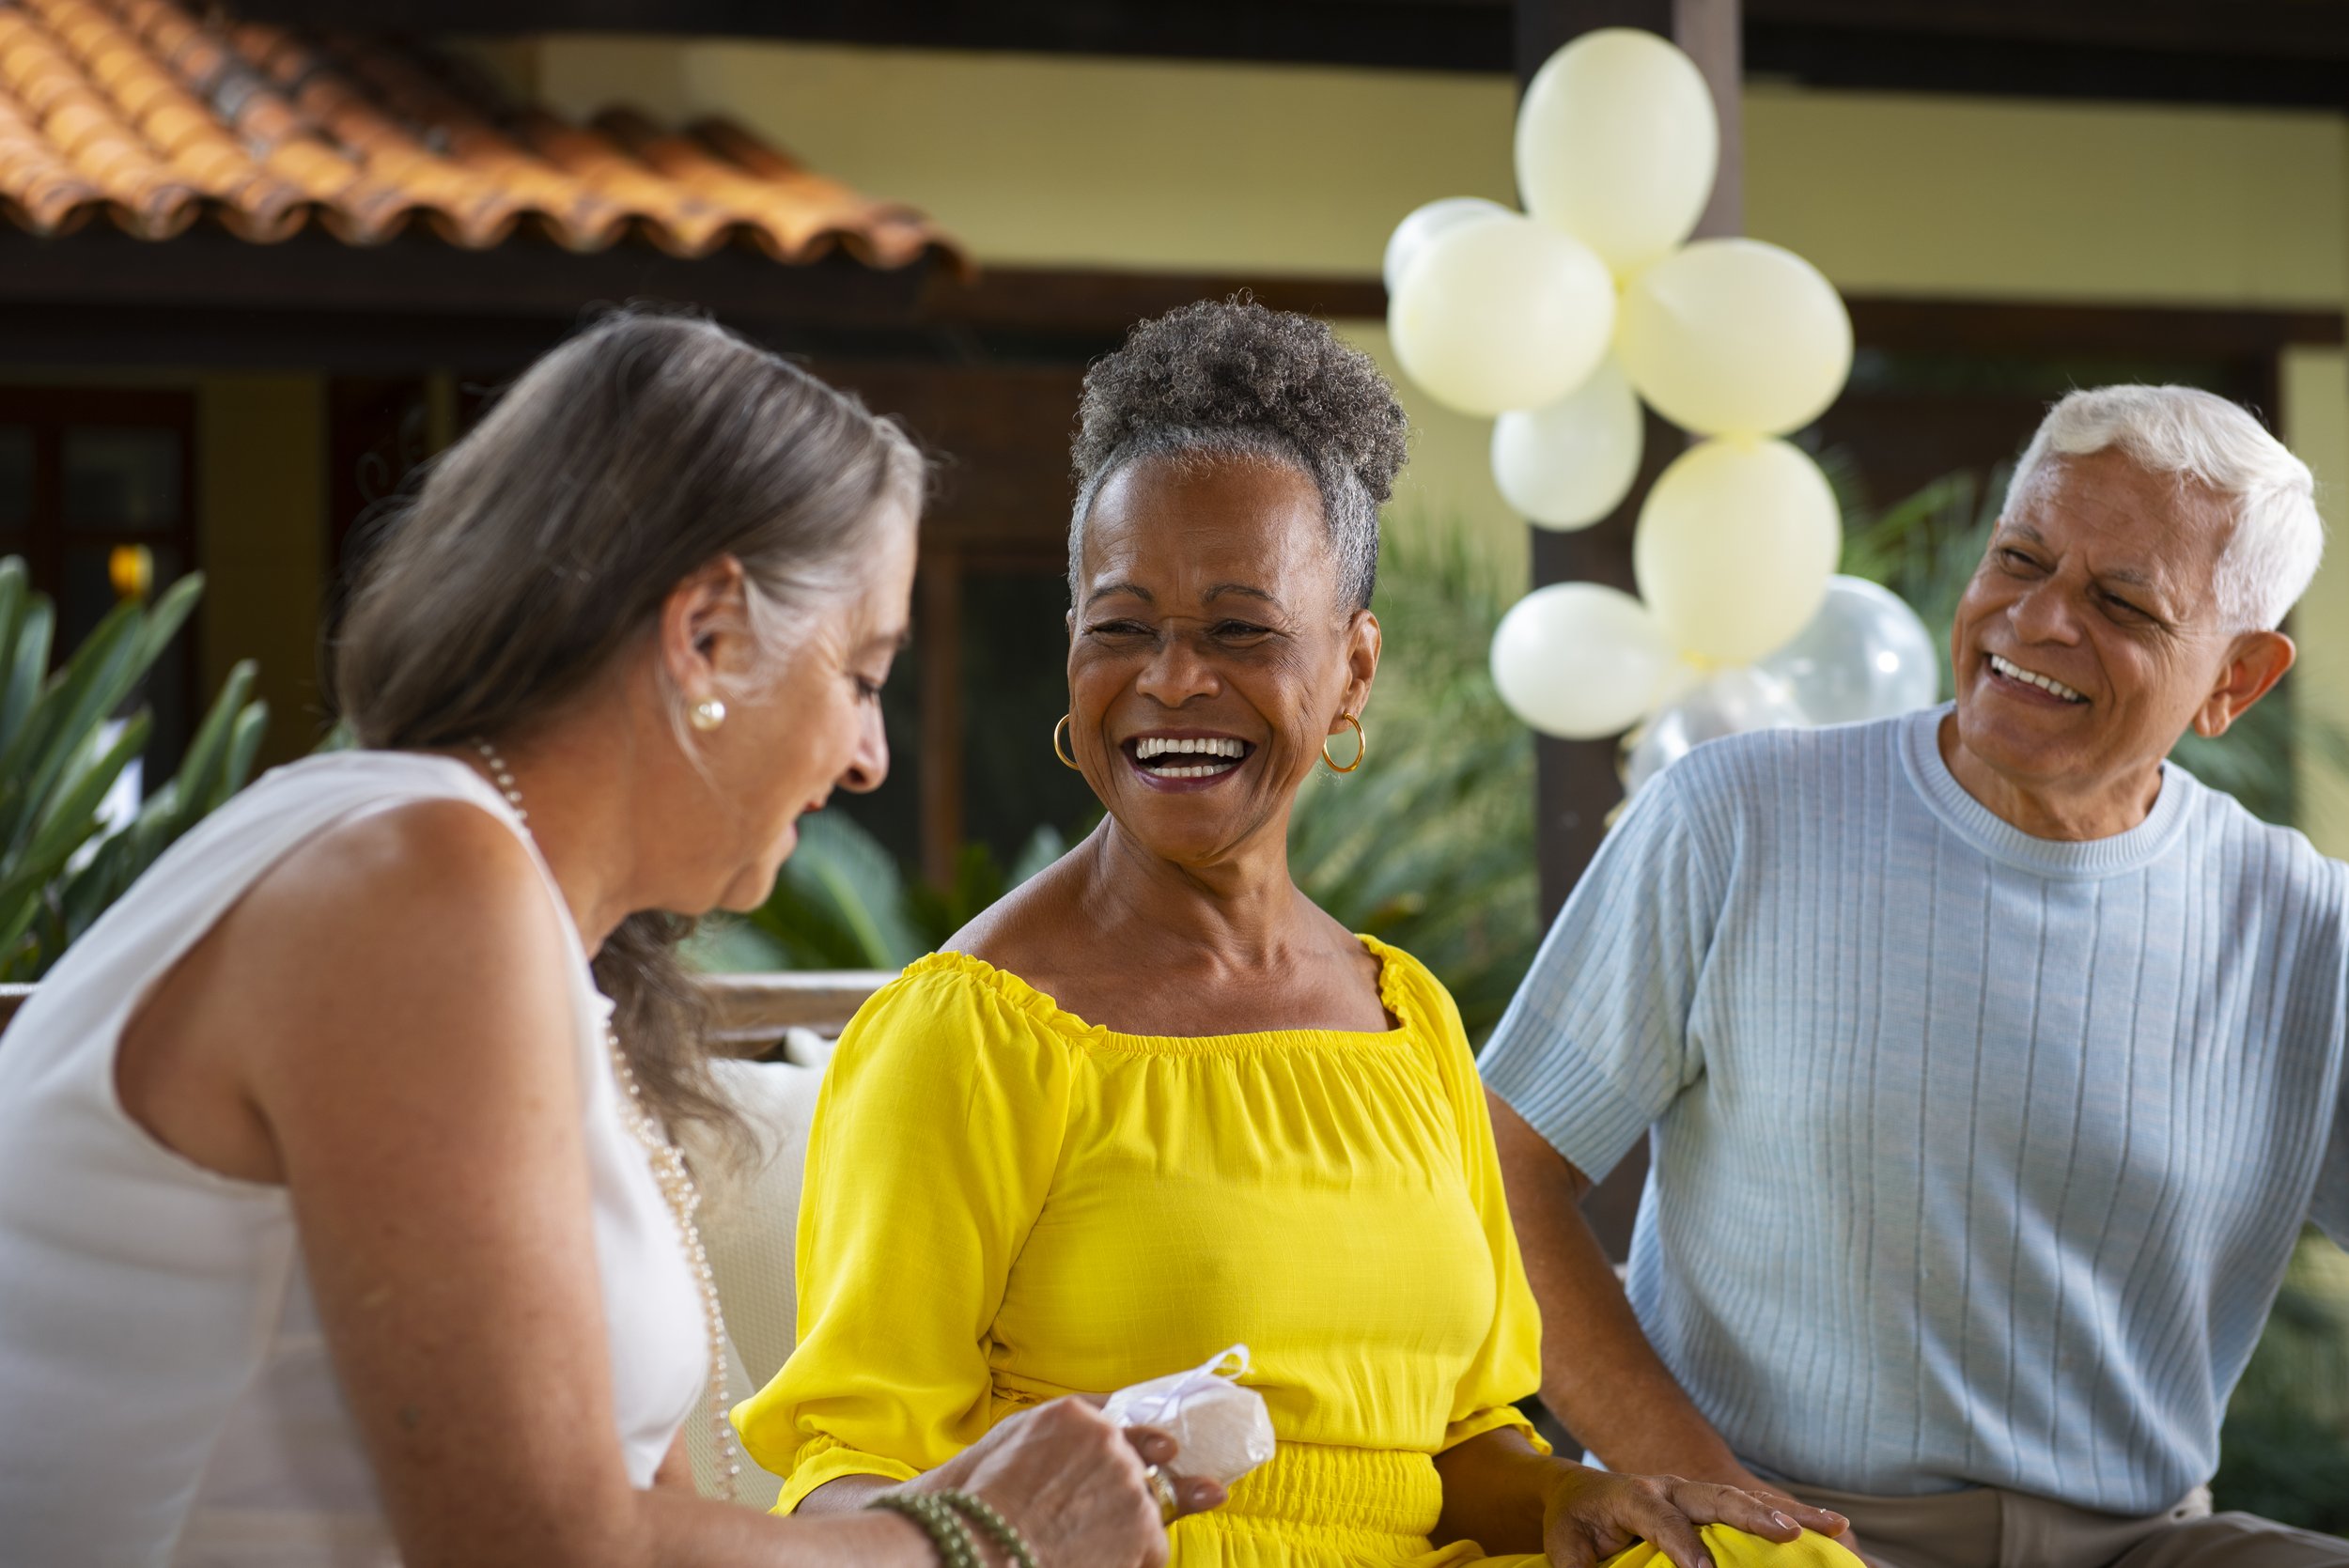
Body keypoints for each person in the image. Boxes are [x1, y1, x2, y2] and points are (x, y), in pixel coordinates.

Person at [0, 311, 1205, 1568]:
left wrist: (936, 1512)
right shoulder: (415, 892)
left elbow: (630, 1510)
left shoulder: (464, 886)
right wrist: (981, 1543)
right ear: (706, 638)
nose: (869, 756)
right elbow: (539, 1547)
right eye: (859, 673)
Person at [738, 298, 1859, 1568]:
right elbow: (848, 1485)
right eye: (1121, 627)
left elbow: (1457, 1450)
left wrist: (1565, 1501)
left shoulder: (1407, 1020)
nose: (1169, 680)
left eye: (1240, 630)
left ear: (1353, 670)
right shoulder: (972, 1033)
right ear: (1072, 653)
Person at [1479, 385, 2349, 1568]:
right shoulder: (1736, 817)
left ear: (2236, 679)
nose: (2035, 619)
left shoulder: (2306, 929)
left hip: (2136, 1547)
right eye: (2019, 558)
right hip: (1774, 1522)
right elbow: (1500, 1172)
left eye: (2121, 602)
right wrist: (1692, 1482)